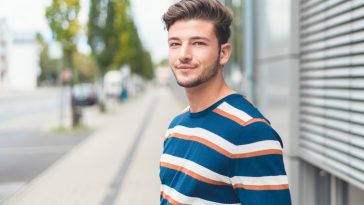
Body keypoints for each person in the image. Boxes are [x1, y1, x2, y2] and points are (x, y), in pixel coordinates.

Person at [159, 0, 292, 204]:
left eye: (198, 43)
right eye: (175, 44)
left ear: (223, 53)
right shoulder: (175, 128)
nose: (184, 54)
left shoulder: (249, 131)